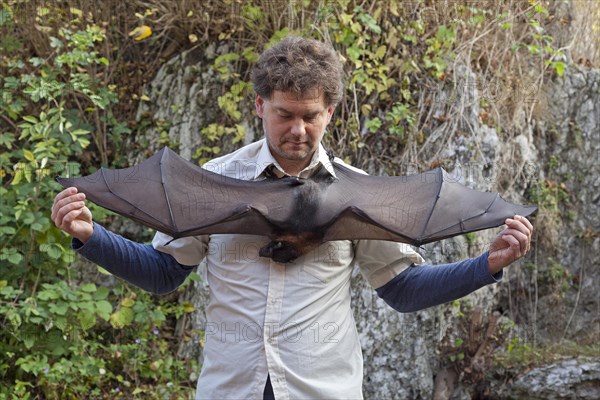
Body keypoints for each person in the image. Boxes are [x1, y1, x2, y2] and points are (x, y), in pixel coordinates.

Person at [51, 36, 533, 399]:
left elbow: (402, 290)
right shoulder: (215, 183)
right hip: (233, 388)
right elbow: (162, 274)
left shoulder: (356, 192)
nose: (297, 130)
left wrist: (485, 265)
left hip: (321, 389)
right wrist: (91, 236)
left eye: (310, 115)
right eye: (284, 115)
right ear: (260, 105)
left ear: (329, 112)